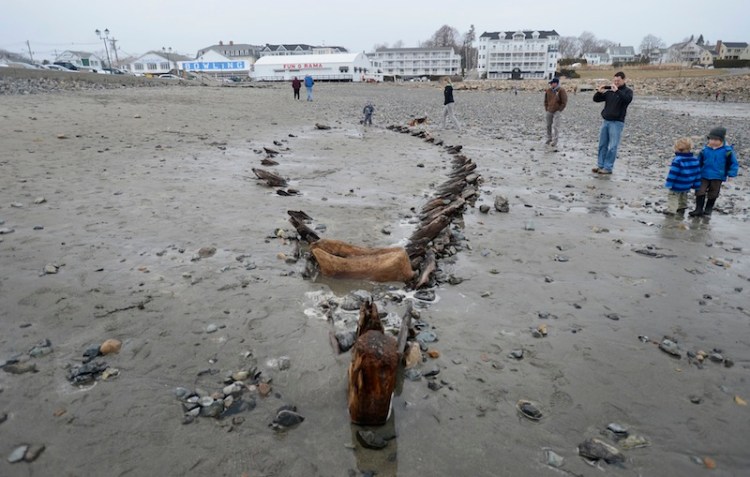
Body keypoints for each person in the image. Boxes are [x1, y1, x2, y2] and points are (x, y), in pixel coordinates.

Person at [688, 127, 740, 217]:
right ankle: (698, 209)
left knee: (713, 193)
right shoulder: (705, 150)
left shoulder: (727, 151)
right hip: (703, 174)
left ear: (722, 140)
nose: (713, 142)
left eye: (716, 140)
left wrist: (731, 174)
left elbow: (734, 163)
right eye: (711, 139)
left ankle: (708, 209)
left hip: (718, 176)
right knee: (700, 191)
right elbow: (698, 161)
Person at [591, 71, 634, 175]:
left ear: (623, 80)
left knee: (613, 146)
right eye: (614, 80)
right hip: (606, 121)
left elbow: (627, 100)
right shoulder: (610, 91)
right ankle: (600, 165)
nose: (616, 82)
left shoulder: (628, 91)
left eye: (618, 81)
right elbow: (596, 99)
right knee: (602, 145)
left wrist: (617, 91)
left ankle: (608, 167)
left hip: (617, 122)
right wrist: (599, 92)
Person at [663, 137, 701, 216]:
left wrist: (669, 183)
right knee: (683, 195)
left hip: (677, 184)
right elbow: (697, 173)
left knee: (673, 196)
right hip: (687, 184)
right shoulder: (695, 160)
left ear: (677, 149)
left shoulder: (678, 160)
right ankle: (682, 207)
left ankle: (671, 210)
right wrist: (696, 185)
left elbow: (673, 173)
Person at [544, 77, 568, 147]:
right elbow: (545, 100)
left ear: (556, 83)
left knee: (555, 126)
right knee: (548, 125)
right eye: (550, 83)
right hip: (549, 110)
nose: (551, 85)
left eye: (552, 83)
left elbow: (564, 101)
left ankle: (555, 140)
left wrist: (559, 109)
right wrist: (546, 108)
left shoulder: (561, 90)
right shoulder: (548, 90)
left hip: (557, 110)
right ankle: (549, 138)